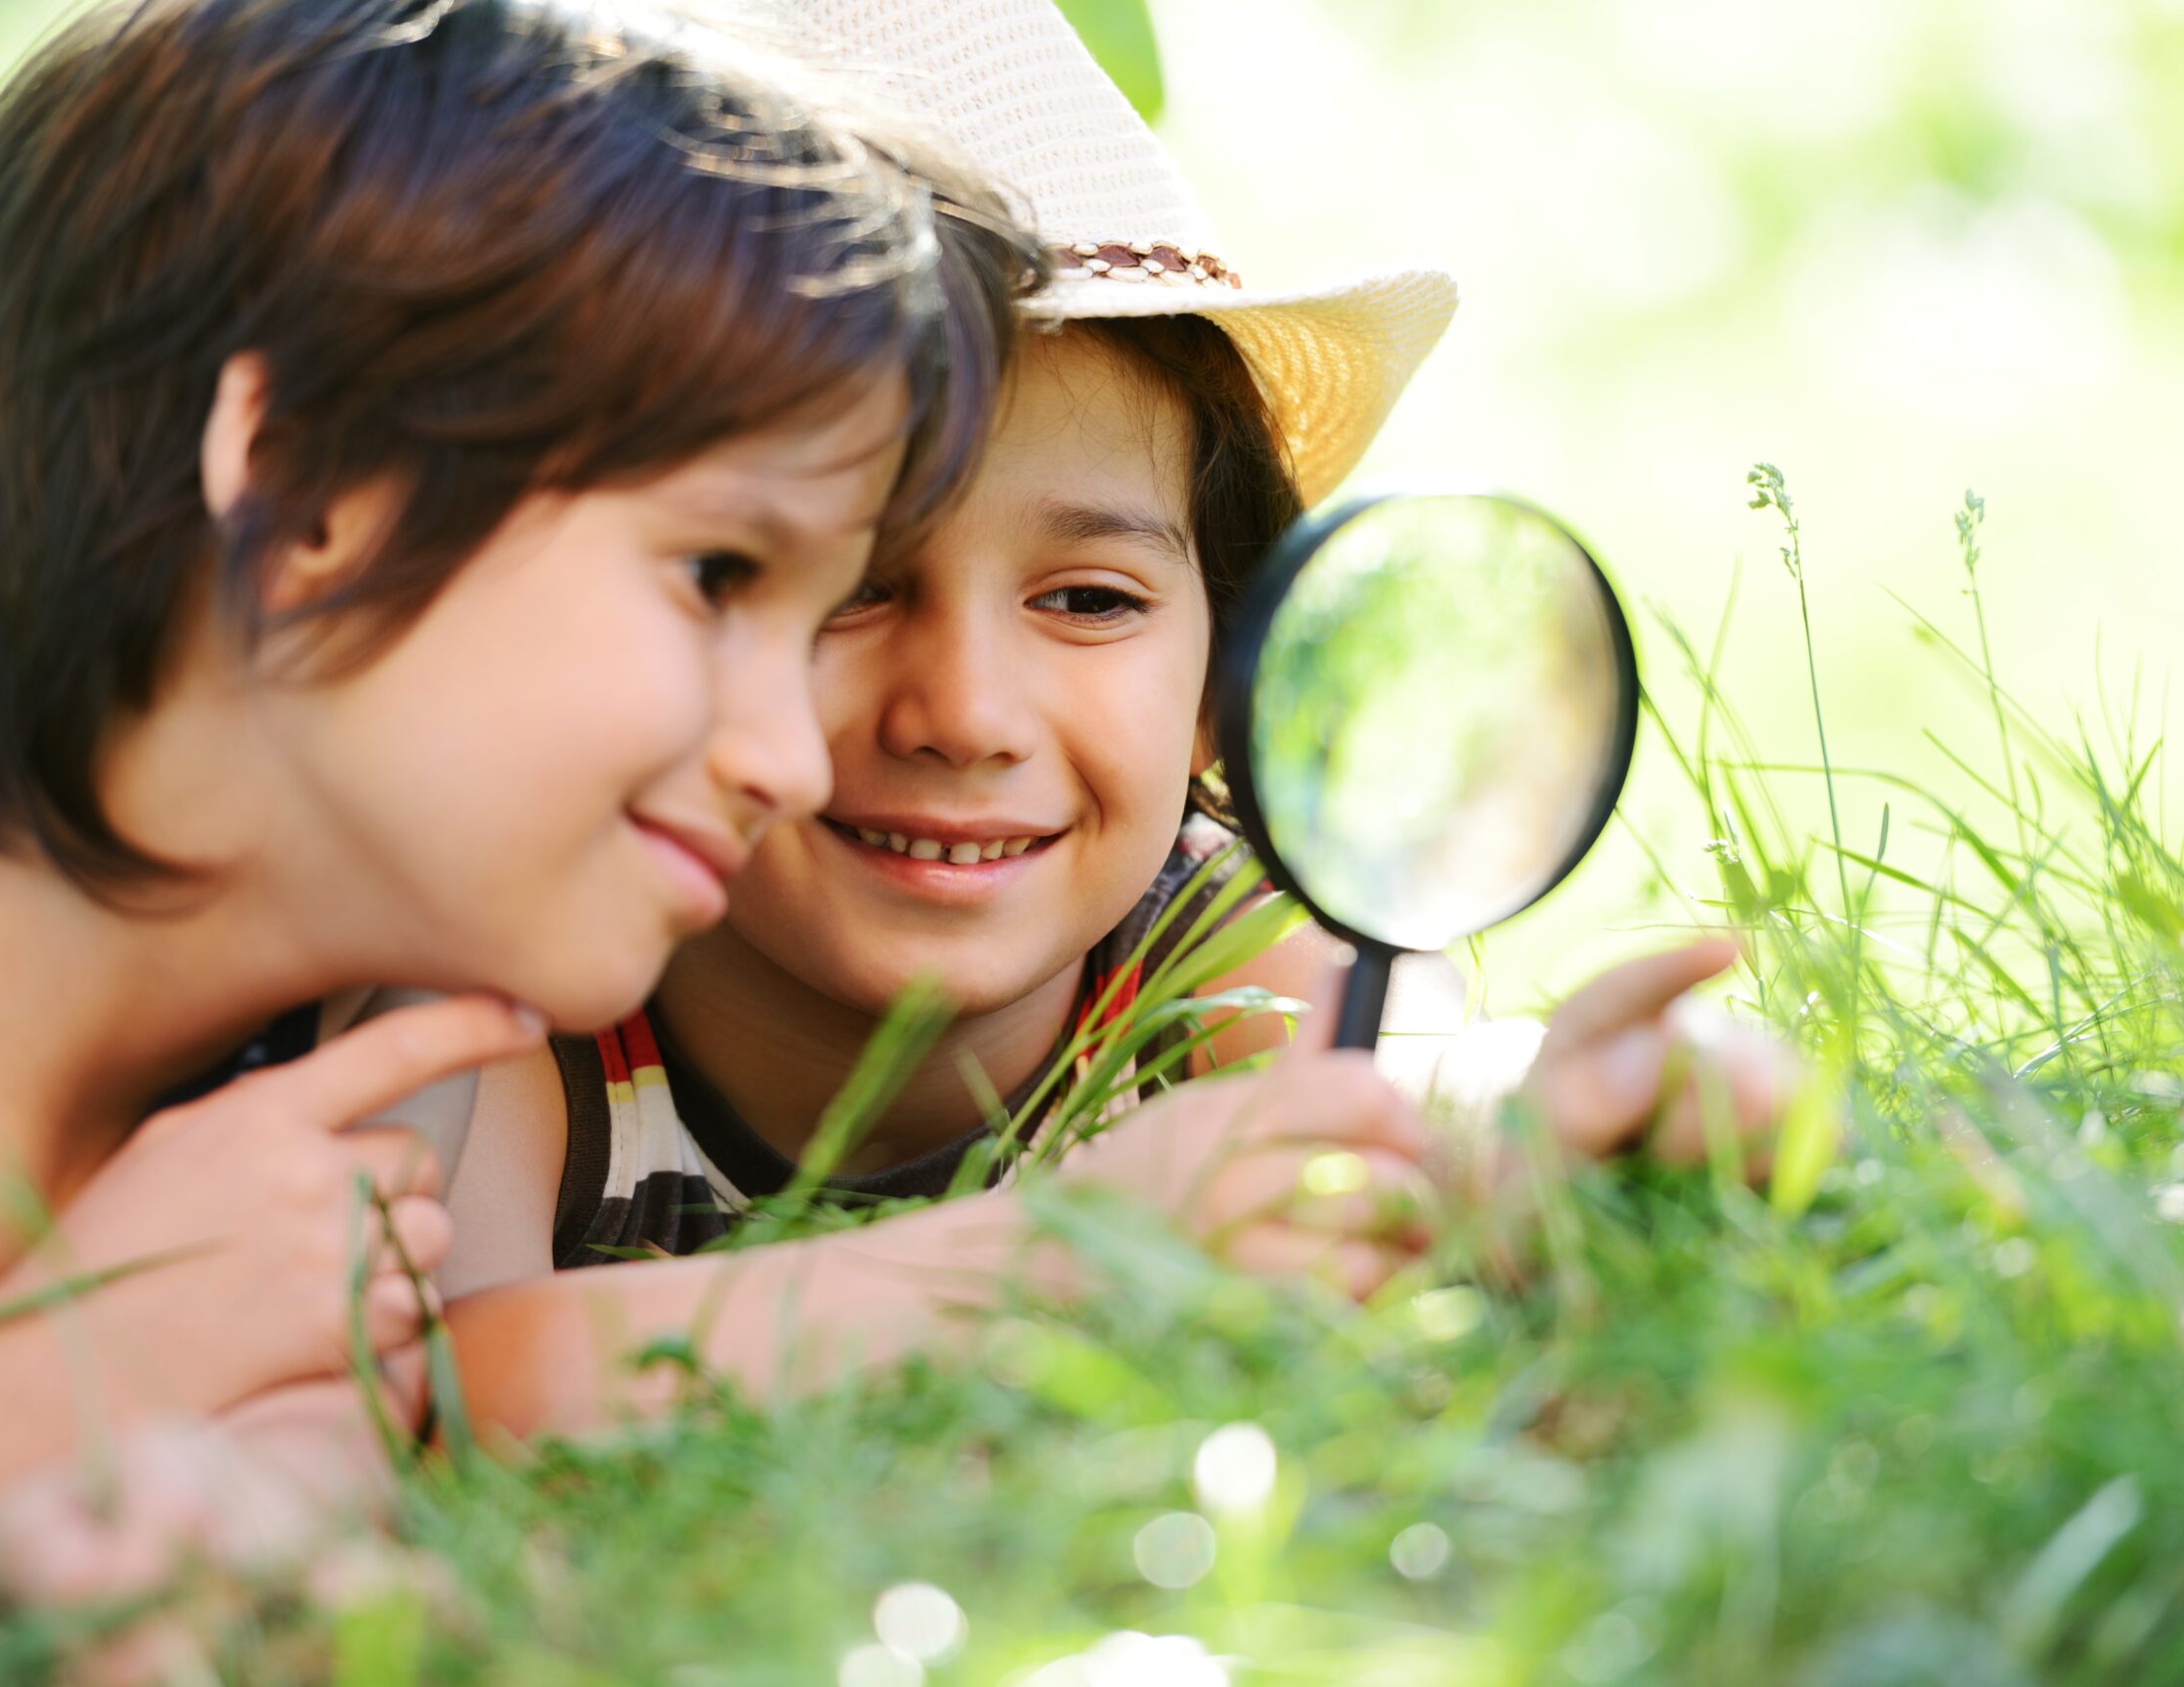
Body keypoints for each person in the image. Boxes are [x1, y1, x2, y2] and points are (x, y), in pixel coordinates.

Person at [0, 0, 1046, 1633]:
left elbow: (313, 1505)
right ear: (312, 492)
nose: (793, 760)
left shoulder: (381, 1057)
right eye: (718, 575)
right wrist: (54, 1382)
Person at [423, 0, 1792, 1434]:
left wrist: (1549, 1110)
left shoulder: (1213, 937)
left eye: (1088, 600)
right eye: (851, 585)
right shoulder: (523, 970)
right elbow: (454, 1387)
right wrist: (1060, 1250)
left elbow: (1405, 1101)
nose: (964, 713)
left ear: (1222, 687)